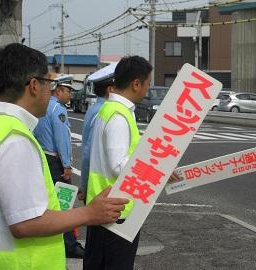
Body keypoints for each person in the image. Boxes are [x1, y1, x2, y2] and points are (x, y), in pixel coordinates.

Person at [0, 43, 129, 270]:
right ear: (34, 85)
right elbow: (25, 222)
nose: (52, 91)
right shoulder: (15, 139)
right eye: (50, 83)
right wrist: (89, 213)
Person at [83, 56, 152, 270]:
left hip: (103, 204)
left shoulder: (109, 109)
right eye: (147, 83)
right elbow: (118, 165)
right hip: (117, 210)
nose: (148, 89)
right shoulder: (119, 116)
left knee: (97, 263)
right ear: (136, 84)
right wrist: (154, 170)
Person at [33, 74, 84, 258]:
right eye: (68, 91)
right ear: (59, 90)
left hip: (44, 157)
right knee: (65, 203)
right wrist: (67, 165)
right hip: (56, 161)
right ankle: (69, 244)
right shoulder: (59, 110)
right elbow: (62, 139)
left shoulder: (43, 107)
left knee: (50, 202)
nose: (70, 95)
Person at [80, 63, 117, 202]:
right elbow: (88, 153)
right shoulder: (104, 111)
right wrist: (84, 185)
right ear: (110, 89)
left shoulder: (95, 108)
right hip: (100, 188)